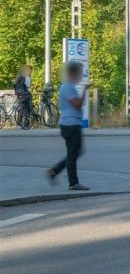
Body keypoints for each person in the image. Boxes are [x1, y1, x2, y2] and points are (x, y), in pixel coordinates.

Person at [47, 62, 90, 190]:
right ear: (74, 73)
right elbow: (77, 104)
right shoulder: (68, 87)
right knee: (73, 153)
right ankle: (73, 183)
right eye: (80, 73)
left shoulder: (68, 86)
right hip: (71, 125)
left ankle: (54, 171)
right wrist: (84, 91)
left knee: (75, 153)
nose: (81, 75)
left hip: (70, 124)